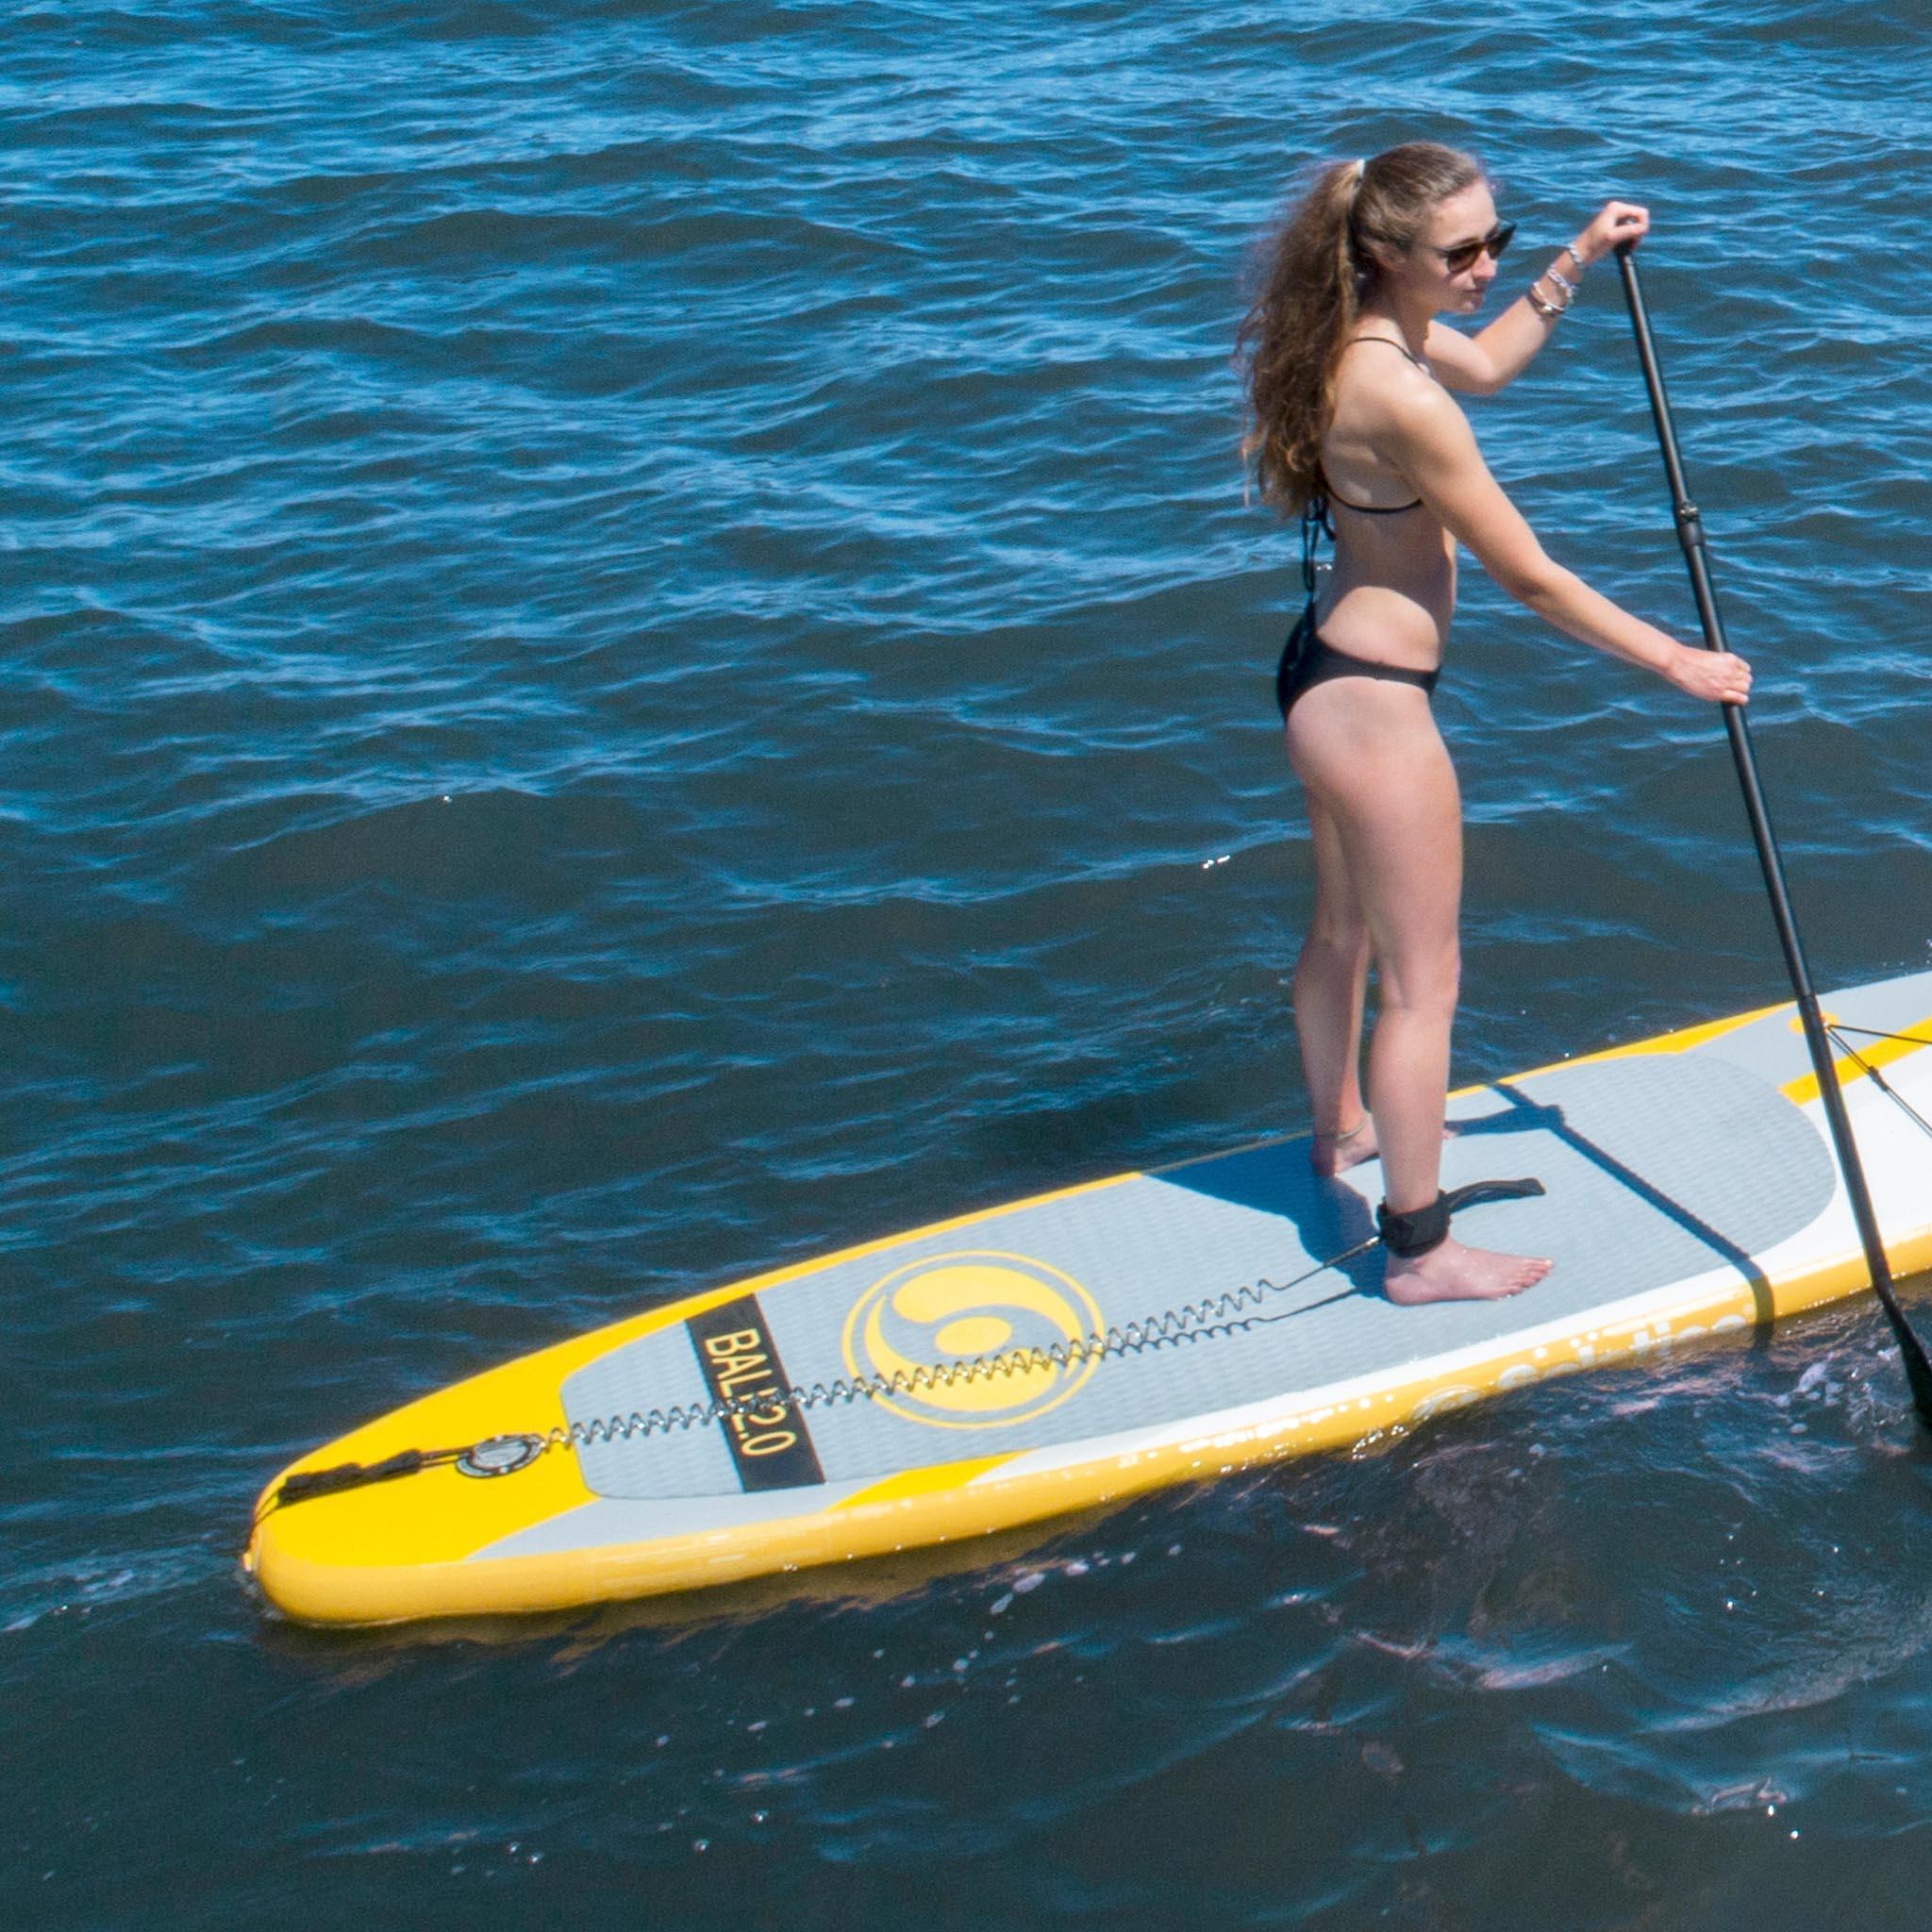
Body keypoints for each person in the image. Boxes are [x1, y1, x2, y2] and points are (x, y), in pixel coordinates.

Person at [1237, 142, 1751, 1306]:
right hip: (1374, 713)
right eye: (1458, 253)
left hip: (1319, 672)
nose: (1480, 267)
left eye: (1492, 243)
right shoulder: (1402, 397)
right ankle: (1416, 1251)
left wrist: (1575, 253)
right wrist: (1676, 659)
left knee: (1337, 935)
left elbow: (1488, 362)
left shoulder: (1359, 337)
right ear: (1382, 253)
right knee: (1424, 986)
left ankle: (1339, 1136)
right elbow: (1529, 577)